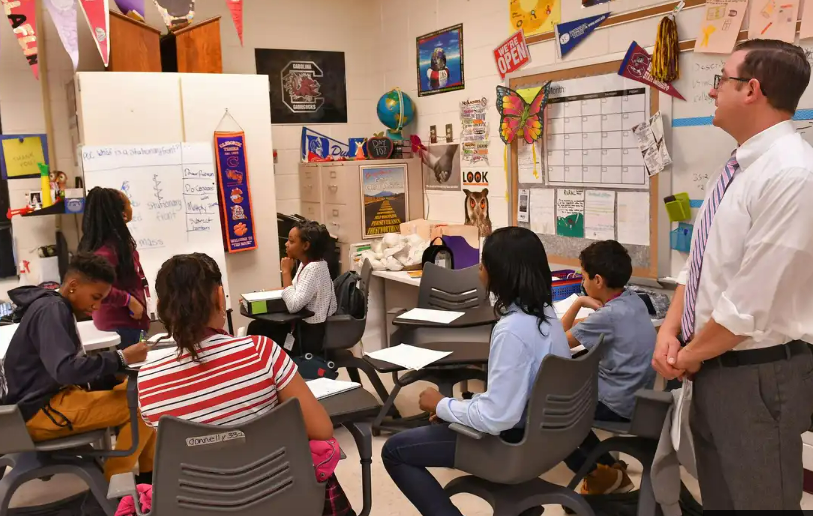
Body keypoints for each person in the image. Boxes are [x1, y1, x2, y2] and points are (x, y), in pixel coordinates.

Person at [652, 39, 813, 511]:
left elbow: (748, 305)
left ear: (752, 91)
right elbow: (699, 267)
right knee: (719, 500)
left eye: (721, 80)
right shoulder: (740, 167)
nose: (712, 91)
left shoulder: (792, 174)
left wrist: (686, 355)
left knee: (760, 503)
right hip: (711, 366)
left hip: (757, 376)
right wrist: (668, 330)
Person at [137, 254, 354, 516]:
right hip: (280, 501)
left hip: (200, 508)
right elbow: (321, 430)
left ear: (160, 307)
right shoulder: (261, 352)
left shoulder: (148, 378)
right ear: (220, 297)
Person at [381, 226, 571, 516]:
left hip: (509, 445)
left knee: (394, 451)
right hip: (544, 439)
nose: (479, 268)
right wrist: (454, 408)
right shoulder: (546, 313)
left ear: (501, 273)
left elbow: (497, 417)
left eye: (485, 263)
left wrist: (441, 404)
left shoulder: (511, 331)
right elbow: (510, 397)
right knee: (446, 418)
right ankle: (522, 509)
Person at [1, 253, 155, 481]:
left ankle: (147, 479)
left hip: (48, 401)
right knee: (144, 406)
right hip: (36, 412)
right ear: (73, 285)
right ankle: (116, 484)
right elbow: (65, 369)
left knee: (142, 391)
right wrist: (121, 358)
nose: (97, 305)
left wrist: (115, 375)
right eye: (95, 297)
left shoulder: (54, 306)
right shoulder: (52, 310)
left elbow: (65, 370)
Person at [560, 240, 657, 495]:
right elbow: (596, 325)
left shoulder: (608, 316)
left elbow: (556, 340)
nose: (583, 282)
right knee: (566, 405)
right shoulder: (633, 300)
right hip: (639, 398)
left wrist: (577, 303)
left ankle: (599, 474)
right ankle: (610, 468)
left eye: (583, 276)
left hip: (617, 403)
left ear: (598, 280)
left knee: (552, 413)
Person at [248, 221, 337, 356]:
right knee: (256, 326)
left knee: (256, 330)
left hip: (309, 335)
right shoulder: (307, 264)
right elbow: (291, 289)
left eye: (291, 241)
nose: (286, 244)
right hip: (301, 327)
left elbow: (293, 305)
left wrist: (286, 272)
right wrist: (257, 295)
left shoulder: (314, 269)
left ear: (306, 245)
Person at [79, 187, 150, 349]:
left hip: (130, 323)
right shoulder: (106, 251)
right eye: (129, 204)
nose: (131, 208)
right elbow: (94, 287)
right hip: (120, 326)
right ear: (122, 214)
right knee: (133, 370)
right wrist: (129, 301)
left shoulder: (117, 244)